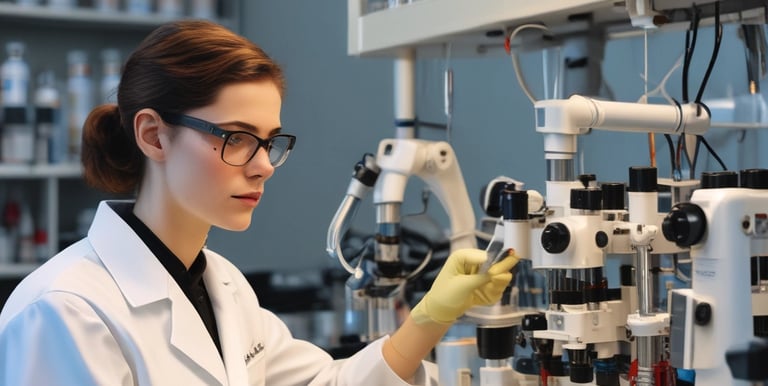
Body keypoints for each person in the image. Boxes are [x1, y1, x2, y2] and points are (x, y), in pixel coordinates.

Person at [0, 20, 518, 385]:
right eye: (236, 137)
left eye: (269, 140)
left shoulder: (223, 285)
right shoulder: (64, 310)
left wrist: (431, 316)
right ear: (154, 136)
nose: (263, 164)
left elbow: (327, 385)